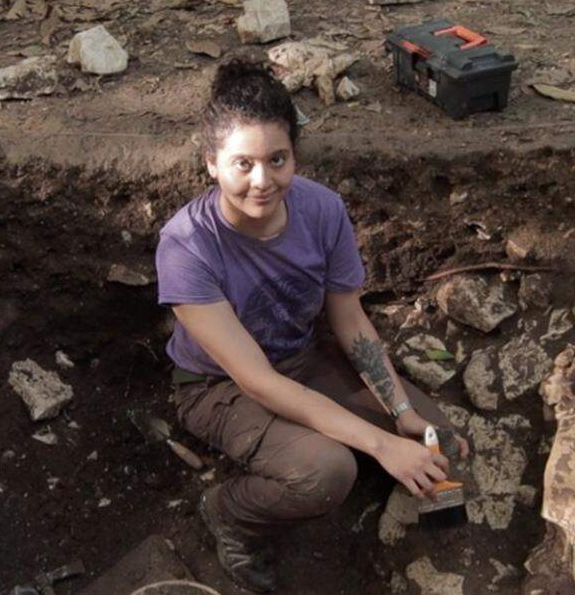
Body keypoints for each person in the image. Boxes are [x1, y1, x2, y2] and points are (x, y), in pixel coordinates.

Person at [155, 60, 468, 593]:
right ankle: (228, 513)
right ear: (211, 163)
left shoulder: (322, 210)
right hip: (219, 387)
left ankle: (395, 495)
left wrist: (403, 413)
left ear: (294, 155)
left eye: (277, 160)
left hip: (304, 357)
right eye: (242, 163)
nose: (262, 181)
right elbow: (259, 382)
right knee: (327, 473)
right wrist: (380, 444)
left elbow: (349, 319)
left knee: (444, 444)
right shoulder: (186, 245)